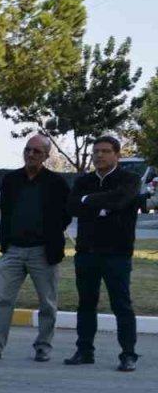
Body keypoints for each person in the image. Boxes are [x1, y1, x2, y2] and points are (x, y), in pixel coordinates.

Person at [0, 135, 71, 362]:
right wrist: (6, 241)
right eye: (28, 150)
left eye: (37, 151)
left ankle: (43, 347)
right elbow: (6, 211)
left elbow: (65, 215)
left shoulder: (56, 183)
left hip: (43, 251)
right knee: (1, 300)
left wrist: (49, 234)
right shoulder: (11, 180)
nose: (31, 154)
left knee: (47, 303)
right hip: (14, 250)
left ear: (47, 156)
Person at [67, 136, 142, 372]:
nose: (99, 156)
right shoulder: (84, 181)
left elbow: (120, 201)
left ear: (117, 155)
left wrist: (89, 201)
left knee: (121, 305)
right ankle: (84, 350)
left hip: (117, 254)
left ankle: (128, 354)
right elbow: (72, 206)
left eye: (105, 151)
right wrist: (100, 205)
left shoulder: (129, 179)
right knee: (86, 303)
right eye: (96, 151)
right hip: (87, 252)